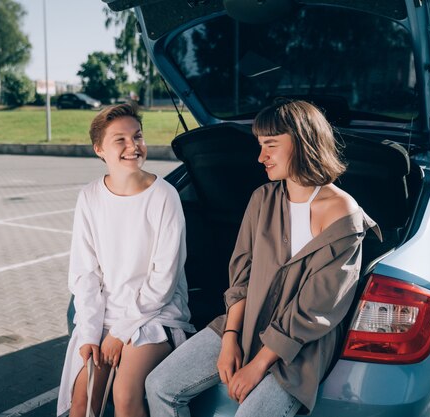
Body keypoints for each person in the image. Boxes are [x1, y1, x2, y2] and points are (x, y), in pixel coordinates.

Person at [145, 99, 381, 417]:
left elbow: (315, 309)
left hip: (300, 347)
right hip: (245, 322)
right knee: (159, 385)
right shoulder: (262, 199)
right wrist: (230, 338)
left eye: (270, 144)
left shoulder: (344, 215)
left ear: (303, 142)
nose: (261, 156)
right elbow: (242, 278)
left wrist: (256, 366)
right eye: (260, 145)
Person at [57, 103, 195, 417]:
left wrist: (120, 333)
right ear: (99, 149)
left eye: (138, 136)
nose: (133, 146)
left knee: (125, 395)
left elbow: (164, 280)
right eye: (120, 139)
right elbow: (85, 274)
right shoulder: (90, 196)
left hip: (153, 316)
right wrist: (92, 333)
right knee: (82, 402)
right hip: (103, 316)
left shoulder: (165, 195)